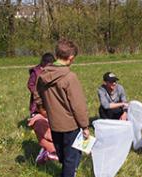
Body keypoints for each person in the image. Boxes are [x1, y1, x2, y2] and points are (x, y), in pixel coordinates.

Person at [35, 39, 90, 177]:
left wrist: (44, 110)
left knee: (62, 155)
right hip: (70, 125)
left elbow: (37, 95)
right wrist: (85, 126)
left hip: (54, 124)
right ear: (71, 58)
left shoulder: (42, 75)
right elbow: (78, 105)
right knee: (71, 157)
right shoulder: (70, 77)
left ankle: (66, 172)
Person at [27, 53, 58, 164]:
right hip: (39, 105)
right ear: (43, 63)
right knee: (42, 128)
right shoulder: (36, 72)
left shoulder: (54, 72)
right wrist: (38, 93)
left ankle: (48, 150)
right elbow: (30, 85)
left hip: (52, 106)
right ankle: (53, 149)